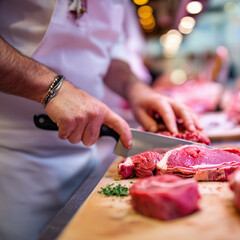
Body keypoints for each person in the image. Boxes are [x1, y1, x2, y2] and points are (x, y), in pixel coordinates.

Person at [0, 1, 200, 240]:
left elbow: (108, 51)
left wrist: (133, 87)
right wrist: (52, 89)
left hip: (86, 161)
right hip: (17, 166)